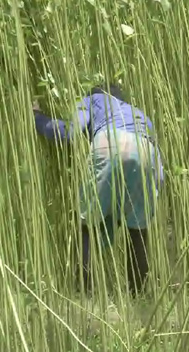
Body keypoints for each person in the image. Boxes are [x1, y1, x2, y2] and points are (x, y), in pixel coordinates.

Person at [32, 83, 163, 296]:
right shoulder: (138, 114)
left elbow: (69, 132)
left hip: (109, 143)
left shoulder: (93, 100)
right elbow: (156, 158)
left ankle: (83, 293)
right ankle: (137, 295)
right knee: (138, 229)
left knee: (86, 225)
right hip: (147, 151)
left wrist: (38, 118)